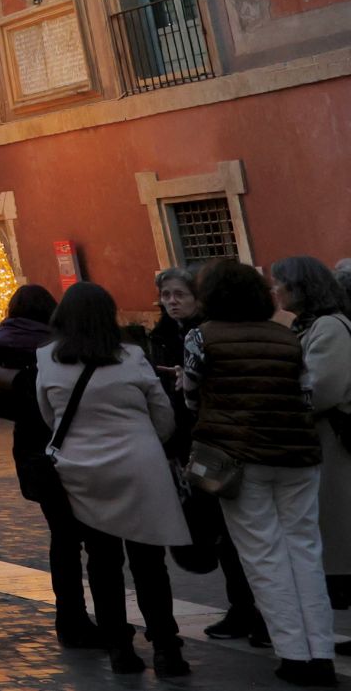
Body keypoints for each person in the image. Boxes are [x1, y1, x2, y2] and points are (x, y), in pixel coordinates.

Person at [185, 259, 335, 686]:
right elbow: (306, 394)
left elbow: (192, 396)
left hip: (239, 458)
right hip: (297, 455)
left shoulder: (202, 337)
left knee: (263, 555)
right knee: (305, 551)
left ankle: (294, 655)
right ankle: (321, 652)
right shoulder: (286, 336)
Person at [35, 282, 190, 677]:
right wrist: (146, 441)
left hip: (82, 471)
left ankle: (119, 648)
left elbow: (49, 417)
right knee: (149, 563)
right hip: (139, 467)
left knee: (102, 562)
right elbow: (163, 416)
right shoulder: (132, 357)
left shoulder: (47, 359)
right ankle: (166, 647)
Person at [149, 267, 266, 647]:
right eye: (166, 295)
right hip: (186, 447)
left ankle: (251, 609)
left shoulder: (207, 335)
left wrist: (188, 382)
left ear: (199, 299)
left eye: (179, 294)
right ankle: (243, 605)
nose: (172, 301)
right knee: (214, 528)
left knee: (233, 530)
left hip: (216, 445)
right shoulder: (160, 336)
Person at [0, 284, 98, 648]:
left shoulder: (4, 346)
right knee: (95, 540)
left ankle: (70, 619)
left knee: (62, 539)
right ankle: (98, 620)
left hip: (35, 452)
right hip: (74, 450)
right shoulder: (60, 351)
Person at [270, 256, 351, 602]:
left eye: (279, 283)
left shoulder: (329, 326)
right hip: (320, 445)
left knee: (341, 530)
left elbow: (321, 389)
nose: (275, 290)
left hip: (334, 443)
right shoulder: (306, 326)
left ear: (300, 287)